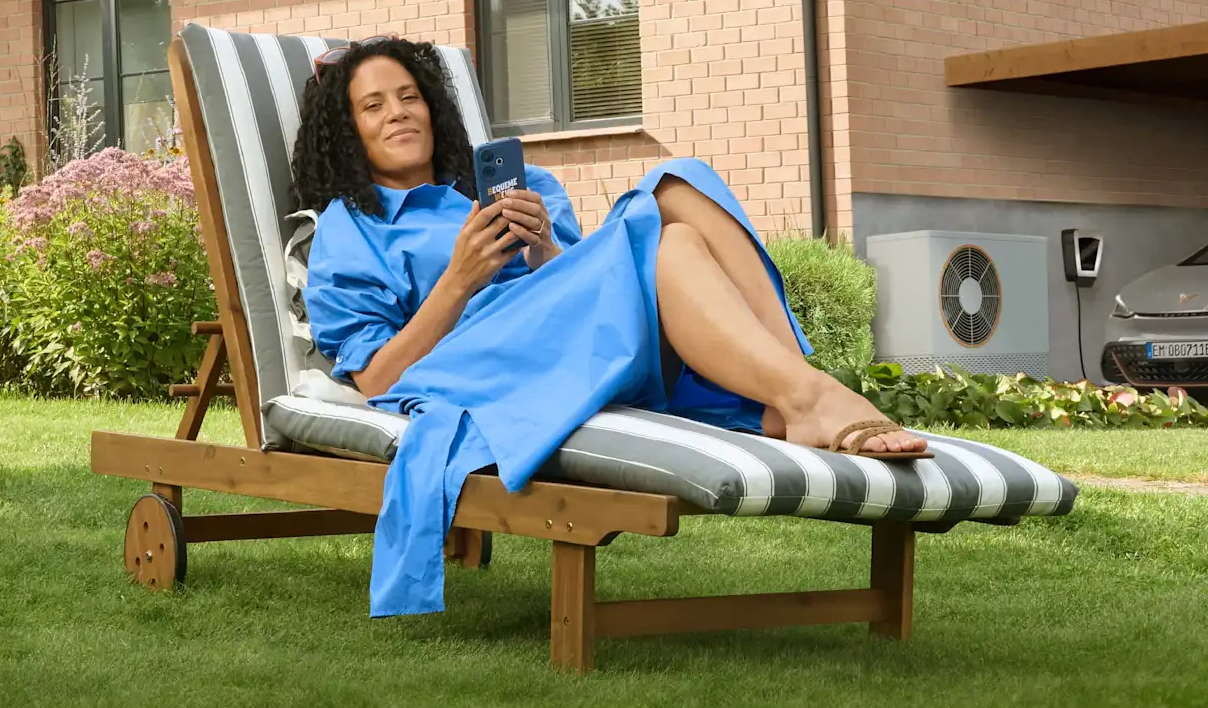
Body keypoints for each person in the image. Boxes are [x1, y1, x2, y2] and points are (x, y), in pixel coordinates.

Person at [290, 36, 926, 617]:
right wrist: (458, 279)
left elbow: (585, 286)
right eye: (372, 106)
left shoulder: (520, 187)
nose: (398, 112)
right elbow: (375, 378)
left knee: (681, 198)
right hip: (487, 364)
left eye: (408, 97)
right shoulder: (353, 228)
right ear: (349, 133)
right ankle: (810, 396)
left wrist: (543, 251)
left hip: (579, 345)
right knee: (669, 215)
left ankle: (798, 390)